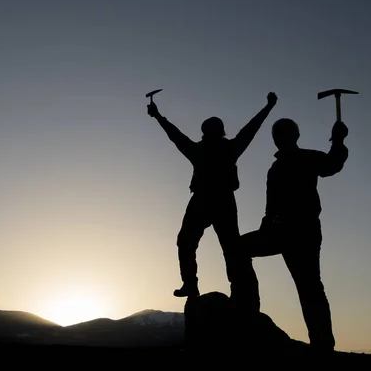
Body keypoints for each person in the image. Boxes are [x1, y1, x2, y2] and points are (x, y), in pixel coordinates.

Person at [147, 92, 278, 310]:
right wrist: (159, 117)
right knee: (190, 242)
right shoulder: (202, 150)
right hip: (204, 200)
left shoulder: (224, 149)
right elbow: (176, 135)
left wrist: (268, 107)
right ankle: (192, 284)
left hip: (220, 201)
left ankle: (235, 289)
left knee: (229, 247)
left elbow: (251, 129)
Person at [239, 117, 349, 352]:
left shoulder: (306, 158)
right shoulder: (276, 167)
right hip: (278, 232)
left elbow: (332, 164)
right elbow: (272, 207)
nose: (278, 138)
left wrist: (338, 140)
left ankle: (322, 345)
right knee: (239, 249)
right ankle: (246, 305)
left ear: (293, 136)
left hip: (302, 232)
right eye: (276, 134)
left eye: (282, 133)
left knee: (309, 286)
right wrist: (266, 227)